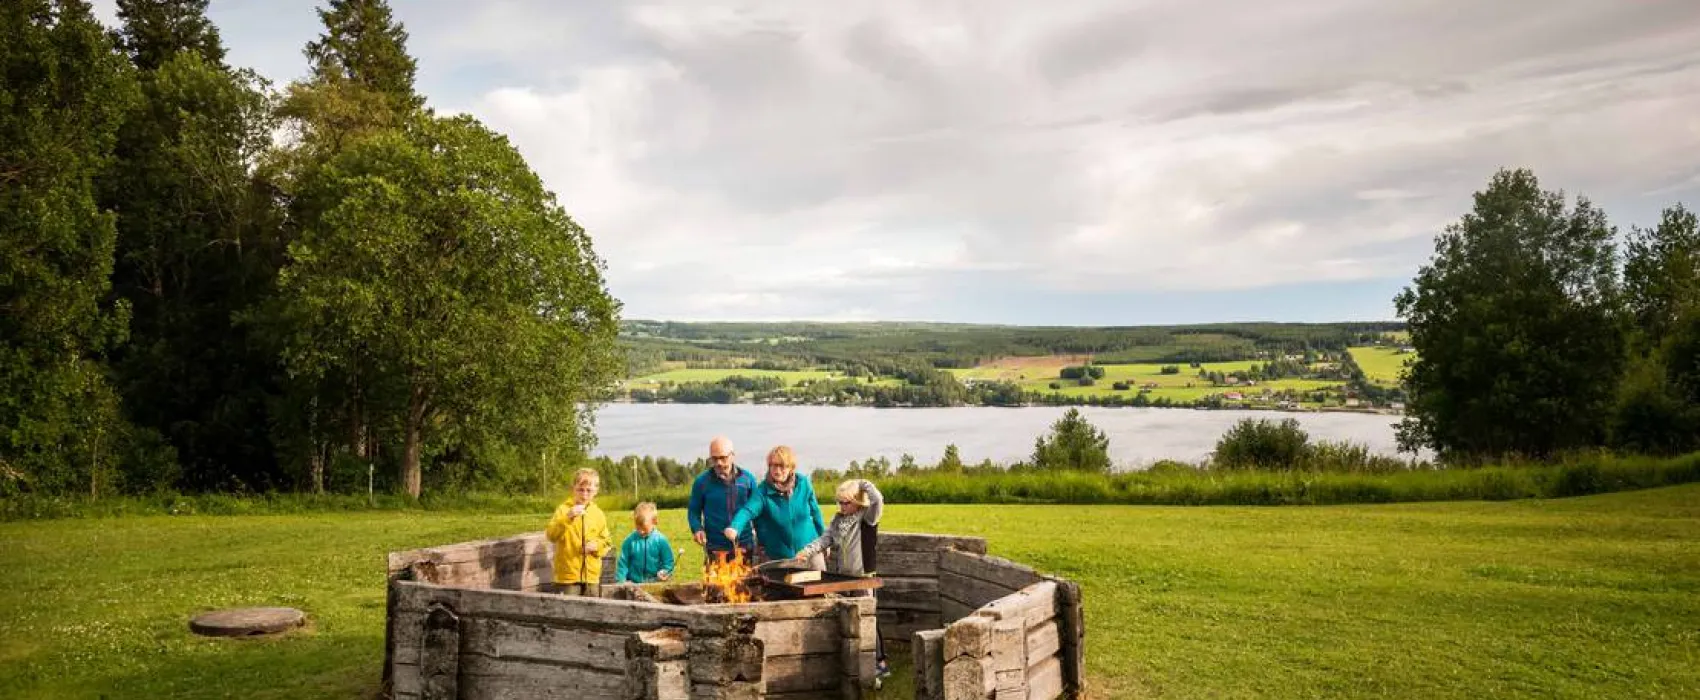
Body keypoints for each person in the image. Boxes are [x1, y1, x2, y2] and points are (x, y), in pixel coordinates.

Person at [794, 479, 888, 677]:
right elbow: (824, 539)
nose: (842, 506)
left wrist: (863, 484)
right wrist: (807, 551)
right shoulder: (838, 520)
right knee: (849, 619)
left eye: (846, 502)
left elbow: (878, 499)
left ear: (857, 501)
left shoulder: (868, 518)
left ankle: (879, 662)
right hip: (844, 578)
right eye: (839, 502)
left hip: (864, 578)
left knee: (868, 618)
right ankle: (854, 658)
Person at [721, 446, 827, 567]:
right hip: (781, 558)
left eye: (782, 466)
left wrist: (824, 542)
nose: (777, 470)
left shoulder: (803, 483)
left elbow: (816, 512)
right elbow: (747, 510)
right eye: (773, 465)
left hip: (811, 553)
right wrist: (735, 527)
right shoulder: (763, 491)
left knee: (819, 585)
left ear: (791, 468)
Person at [687, 435, 759, 565]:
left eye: (723, 458)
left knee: (747, 584)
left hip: (744, 546)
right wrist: (697, 528)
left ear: (732, 455)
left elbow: (757, 510)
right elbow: (693, 510)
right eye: (714, 458)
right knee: (715, 585)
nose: (719, 463)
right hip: (715, 548)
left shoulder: (748, 480)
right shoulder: (701, 482)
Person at [544, 468, 613, 596]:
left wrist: (596, 545)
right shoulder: (563, 510)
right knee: (567, 612)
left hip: (591, 577)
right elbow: (551, 535)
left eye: (589, 490)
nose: (584, 495)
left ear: (596, 491)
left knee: (592, 613)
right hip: (567, 577)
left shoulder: (598, 514)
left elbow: (607, 541)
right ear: (573, 489)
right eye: (580, 490)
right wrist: (567, 518)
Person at [616, 502, 676, 584]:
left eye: (644, 529)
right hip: (633, 584)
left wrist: (664, 572)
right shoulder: (629, 541)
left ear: (654, 522)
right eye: (638, 528)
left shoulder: (661, 540)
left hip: (655, 584)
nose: (641, 531)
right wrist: (621, 582)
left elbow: (668, 562)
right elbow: (623, 563)